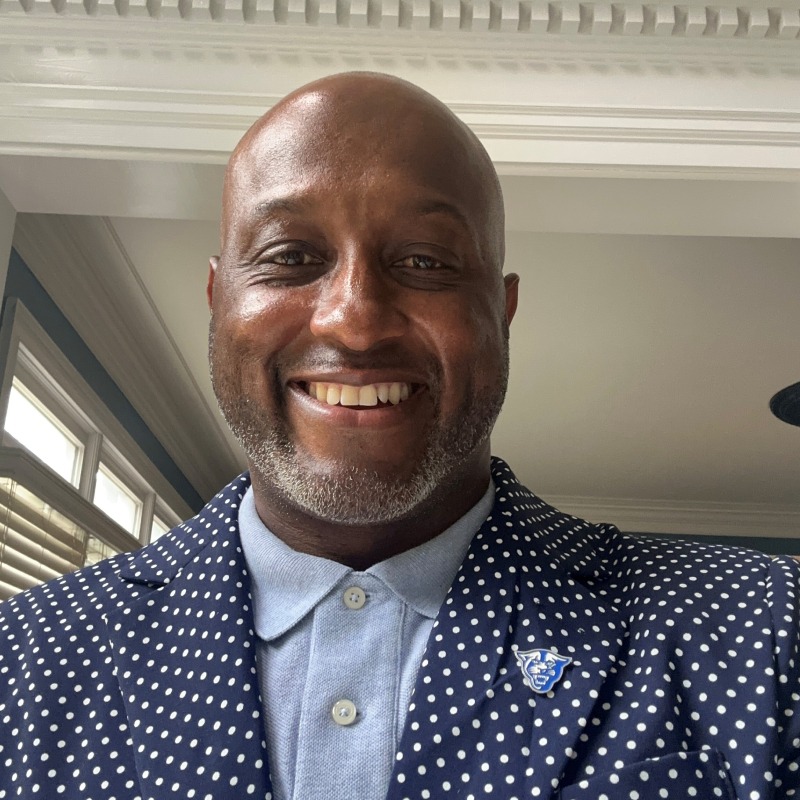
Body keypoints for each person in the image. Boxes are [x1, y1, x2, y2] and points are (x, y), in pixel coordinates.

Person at [0, 73, 798, 800]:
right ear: (219, 301)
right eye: (290, 257)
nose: (353, 320)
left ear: (502, 314)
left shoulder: (762, 632)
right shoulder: (23, 658)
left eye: (424, 261)